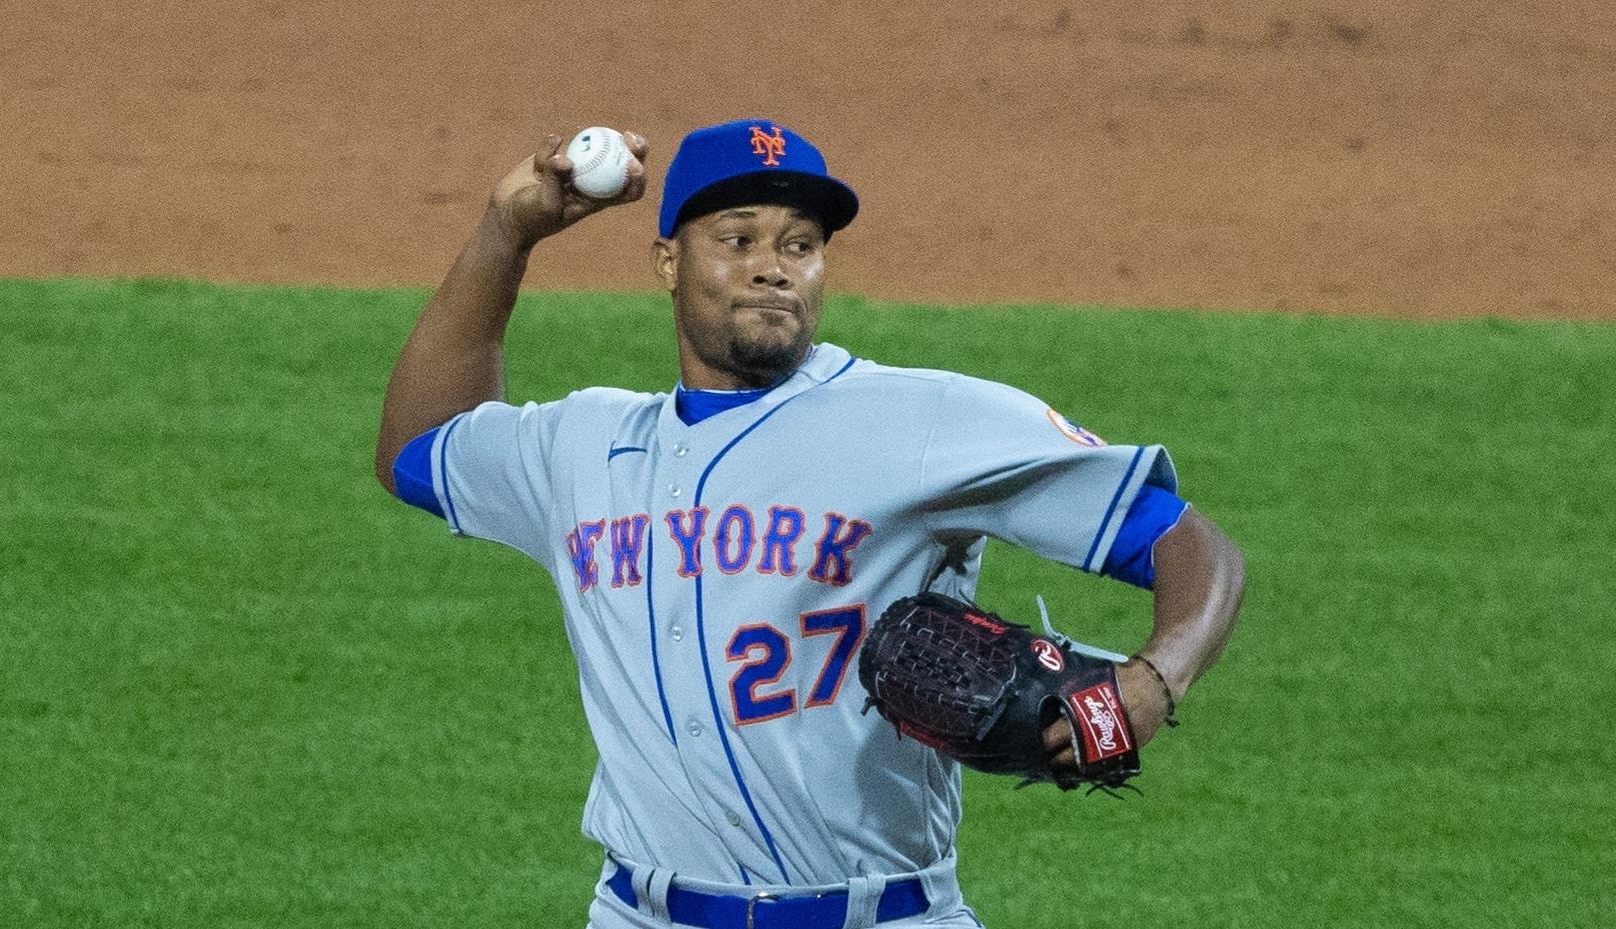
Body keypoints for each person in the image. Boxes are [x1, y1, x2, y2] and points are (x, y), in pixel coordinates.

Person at [375, 119, 1246, 929]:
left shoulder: (924, 420)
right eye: (738, 238)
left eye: (800, 244)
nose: (772, 266)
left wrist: (1151, 682)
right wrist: (507, 230)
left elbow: (1187, 541)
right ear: (669, 261)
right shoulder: (581, 445)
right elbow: (418, 447)